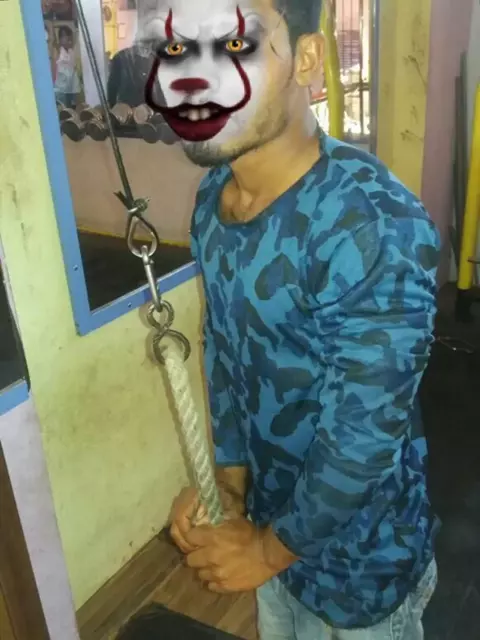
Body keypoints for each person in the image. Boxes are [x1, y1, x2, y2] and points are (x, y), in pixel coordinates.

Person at [141, 0, 441, 638]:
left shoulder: (373, 225)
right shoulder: (215, 199)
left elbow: (364, 435)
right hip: (271, 533)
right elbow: (225, 348)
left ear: (307, 59)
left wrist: (265, 551)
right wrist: (227, 487)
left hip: (361, 571)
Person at [54, 25, 81, 108]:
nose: (68, 39)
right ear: (60, 39)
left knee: (71, 108)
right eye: (65, 36)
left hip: (71, 88)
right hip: (61, 89)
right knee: (63, 109)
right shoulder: (58, 51)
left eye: (69, 36)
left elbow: (73, 69)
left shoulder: (71, 51)